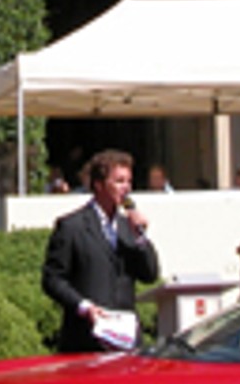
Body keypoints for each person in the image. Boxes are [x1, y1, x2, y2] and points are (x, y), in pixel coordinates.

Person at [41, 148, 160, 354]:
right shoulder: (72, 227)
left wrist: (140, 237)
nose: (126, 188)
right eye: (119, 181)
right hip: (86, 341)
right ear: (99, 185)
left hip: (125, 341)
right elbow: (52, 279)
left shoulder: (127, 227)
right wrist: (83, 306)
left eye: (128, 182)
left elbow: (150, 274)